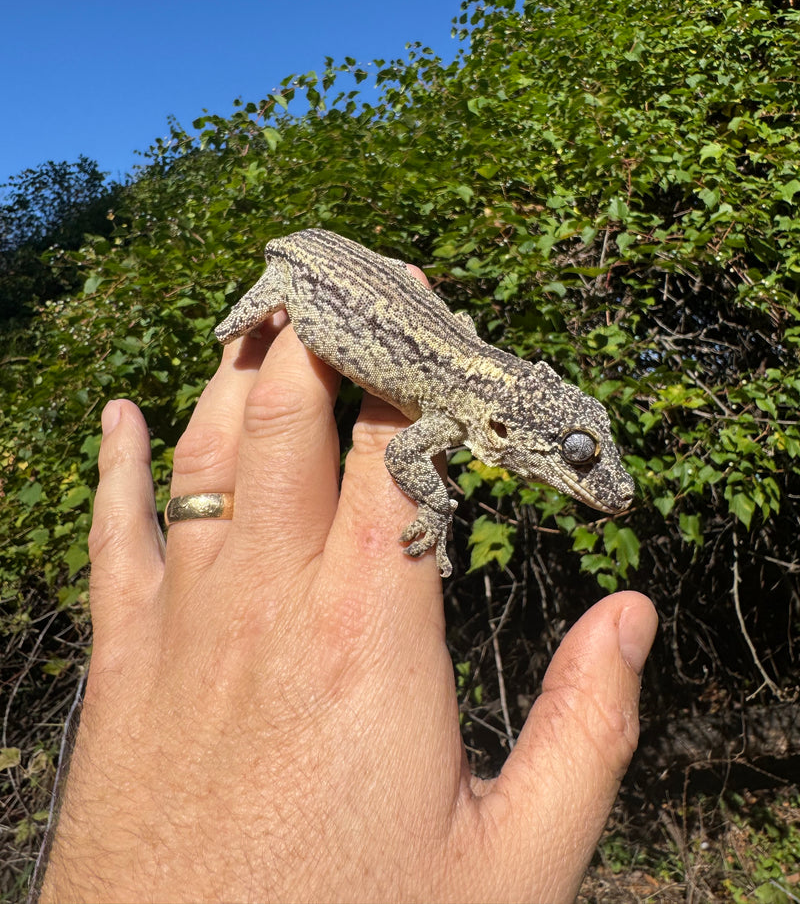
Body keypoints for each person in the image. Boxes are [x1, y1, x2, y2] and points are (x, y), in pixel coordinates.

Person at [38, 283, 657, 903]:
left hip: (348, 288)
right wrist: (436, 505)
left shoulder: (464, 389)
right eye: (577, 453)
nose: (612, 486)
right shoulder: (451, 408)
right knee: (233, 337)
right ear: (503, 423)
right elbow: (403, 453)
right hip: (298, 275)